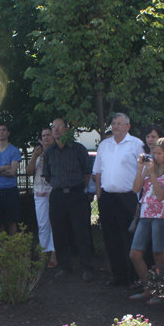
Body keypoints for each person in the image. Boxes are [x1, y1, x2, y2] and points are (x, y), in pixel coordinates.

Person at [93, 113, 144, 286]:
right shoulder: (104, 145)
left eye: (119, 123)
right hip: (107, 197)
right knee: (111, 238)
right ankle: (118, 276)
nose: (115, 126)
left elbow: (143, 172)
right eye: (113, 123)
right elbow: (98, 172)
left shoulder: (136, 144)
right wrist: (99, 196)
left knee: (129, 238)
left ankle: (133, 277)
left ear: (128, 126)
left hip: (128, 198)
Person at [129, 138, 164, 305]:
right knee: (135, 254)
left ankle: (162, 291)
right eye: (154, 153)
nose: (156, 156)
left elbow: (160, 195)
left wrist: (151, 173)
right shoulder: (148, 168)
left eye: (159, 153)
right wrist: (140, 169)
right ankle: (148, 289)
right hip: (145, 214)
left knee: (158, 254)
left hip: (162, 216)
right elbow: (136, 189)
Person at [42, 118, 94, 281]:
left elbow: (87, 172)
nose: (56, 129)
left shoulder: (78, 149)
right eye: (53, 126)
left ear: (67, 129)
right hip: (57, 195)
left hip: (76, 195)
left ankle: (86, 267)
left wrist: (78, 188)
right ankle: (65, 266)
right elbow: (47, 176)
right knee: (59, 232)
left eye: (59, 126)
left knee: (81, 232)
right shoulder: (49, 152)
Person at [26, 127, 56, 267]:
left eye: (48, 135)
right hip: (39, 193)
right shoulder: (37, 154)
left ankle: (55, 254)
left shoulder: (57, 152)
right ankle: (44, 252)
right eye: (43, 135)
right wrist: (34, 157)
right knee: (43, 224)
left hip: (55, 192)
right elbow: (29, 171)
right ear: (40, 139)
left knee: (55, 223)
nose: (46, 138)